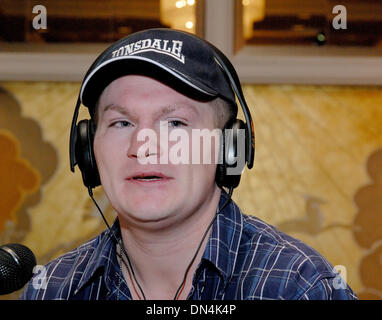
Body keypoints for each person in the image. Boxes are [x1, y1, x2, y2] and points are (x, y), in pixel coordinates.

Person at [20, 28, 357, 300]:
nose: (143, 146)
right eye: (122, 123)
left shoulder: (300, 287)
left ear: (229, 148)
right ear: (88, 151)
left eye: (176, 124)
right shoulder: (51, 289)